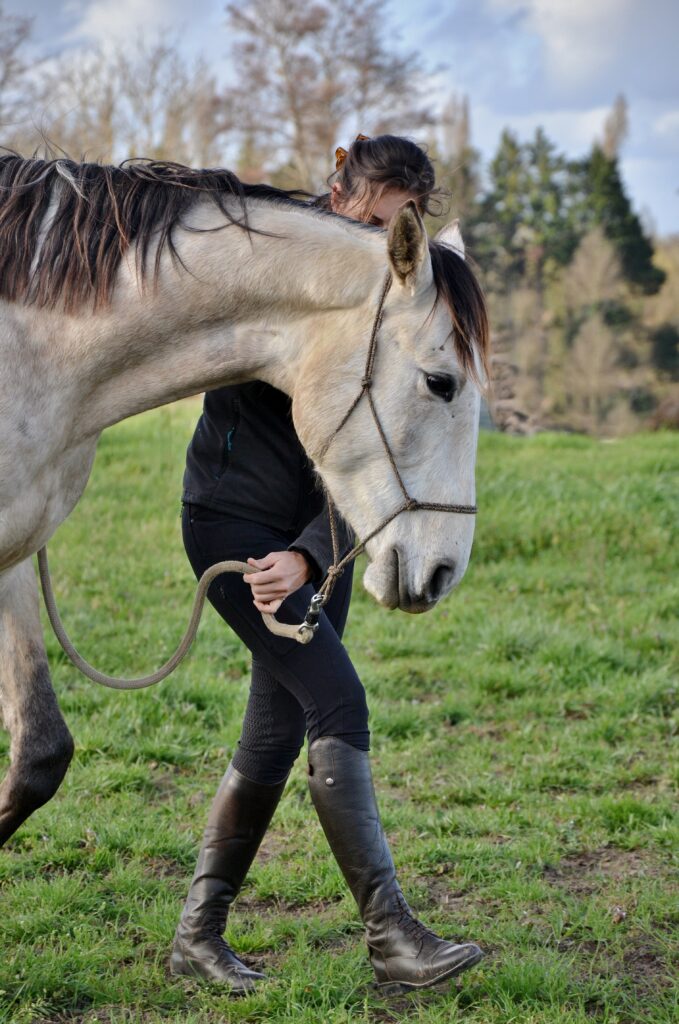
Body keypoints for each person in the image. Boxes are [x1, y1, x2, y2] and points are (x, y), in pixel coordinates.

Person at [172, 135, 484, 994]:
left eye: (403, 227)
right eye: (378, 218)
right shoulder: (273, 266)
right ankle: (391, 936)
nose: (388, 244)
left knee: (275, 733)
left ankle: (197, 936)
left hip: (323, 537)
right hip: (231, 520)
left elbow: (368, 450)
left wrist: (313, 553)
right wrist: (279, 557)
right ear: (341, 181)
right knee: (337, 700)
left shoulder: (389, 293)